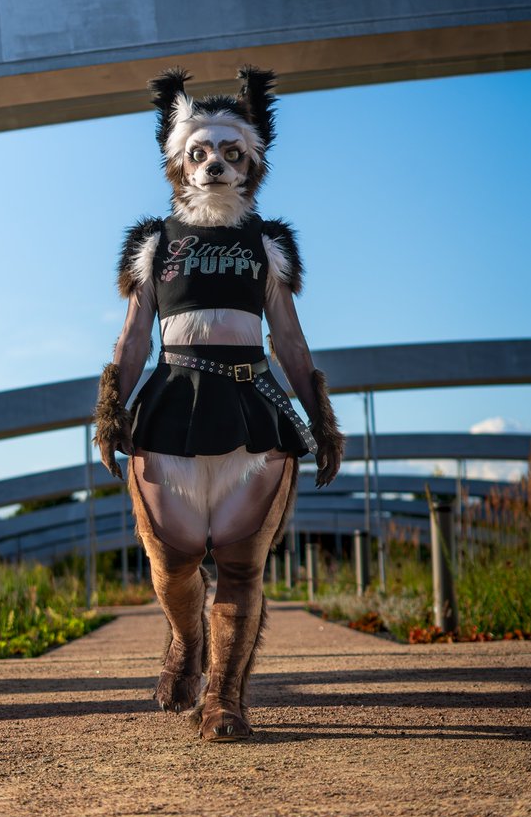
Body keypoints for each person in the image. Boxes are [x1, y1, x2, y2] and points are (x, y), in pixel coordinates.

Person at [94, 66, 344, 742]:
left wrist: (320, 419)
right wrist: (111, 408)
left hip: (250, 408)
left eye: (230, 154)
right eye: (200, 153)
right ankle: (185, 640)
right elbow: (134, 336)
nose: (214, 165)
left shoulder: (267, 246)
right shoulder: (154, 245)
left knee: (240, 565)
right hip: (172, 403)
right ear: (178, 161)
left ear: (251, 162)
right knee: (172, 564)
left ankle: (224, 699)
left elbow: (288, 338)